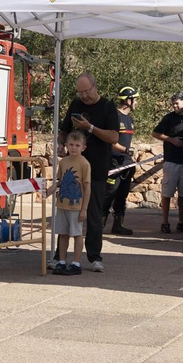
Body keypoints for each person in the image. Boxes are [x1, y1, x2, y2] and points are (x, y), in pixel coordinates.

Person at [57, 73, 120, 272]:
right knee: (66, 211)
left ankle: (94, 257)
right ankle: (60, 257)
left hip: (97, 168)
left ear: (95, 86)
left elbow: (114, 137)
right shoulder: (75, 104)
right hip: (72, 170)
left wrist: (90, 128)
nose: (84, 96)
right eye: (80, 92)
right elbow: (64, 130)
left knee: (93, 213)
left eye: (86, 91)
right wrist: (61, 143)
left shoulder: (108, 106)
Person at [152, 92, 183, 234]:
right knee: (167, 193)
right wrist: (171, 139)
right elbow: (155, 133)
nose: (175, 106)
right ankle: (165, 223)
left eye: (177, 103)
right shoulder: (169, 118)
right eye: (173, 104)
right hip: (171, 161)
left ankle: (182, 222)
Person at [51, 130, 91, 275]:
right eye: (71, 144)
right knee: (63, 233)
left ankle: (76, 263)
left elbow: (87, 187)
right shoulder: (63, 162)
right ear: (66, 145)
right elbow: (61, 181)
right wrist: (51, 189)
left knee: (77, 234)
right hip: (62, 204)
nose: (74, 148)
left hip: (77, 206)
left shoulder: (84, 164)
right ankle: (62, 261)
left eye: (77, 145)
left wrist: (84, 209)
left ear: (83, 147)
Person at [105, 85, 139, 235]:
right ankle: (98, 226)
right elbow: (110, 141)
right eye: (135, 100)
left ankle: (118, 225)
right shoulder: (114, 117)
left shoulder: (130, 119)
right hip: (114, 163)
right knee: (109, 194)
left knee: (122, 196)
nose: (136, 102)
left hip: (126, 163)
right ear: (128, 101)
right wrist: (125, 150)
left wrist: (129, 155)